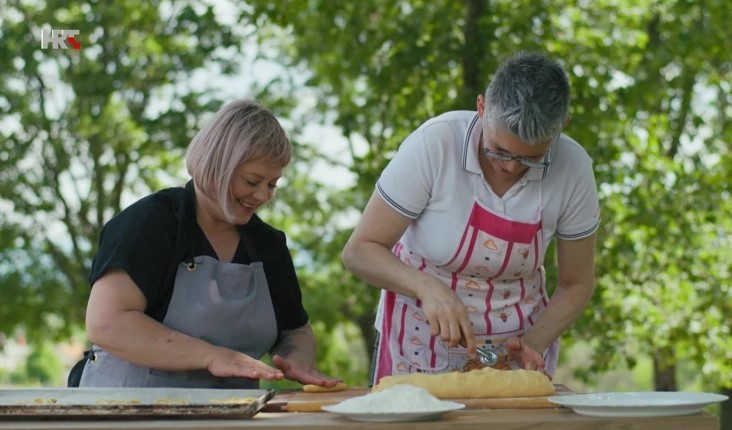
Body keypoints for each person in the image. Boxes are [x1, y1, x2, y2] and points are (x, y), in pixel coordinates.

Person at [342, 52, 600, 384]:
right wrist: (426, 287)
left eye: (531, 158)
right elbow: (360, 250)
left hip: (516, 346)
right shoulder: (435, 144)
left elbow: (576, 284)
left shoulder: (574, 168)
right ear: (481, 107)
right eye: (499, 150)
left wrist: (532, 342)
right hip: (420, 342)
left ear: (561, 128)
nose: (511, 167)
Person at [72, 99, 341, 389]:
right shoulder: (150, 223)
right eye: (252, 181)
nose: (263, 195)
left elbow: (294, 329)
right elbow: (108, 323)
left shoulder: (268, 245)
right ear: (217, 165)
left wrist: (296, 359)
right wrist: (212, 356)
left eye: (272, 184)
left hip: (231, 417)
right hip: (127, 409)